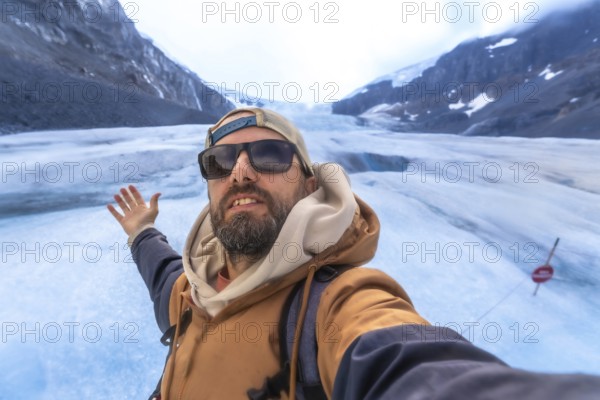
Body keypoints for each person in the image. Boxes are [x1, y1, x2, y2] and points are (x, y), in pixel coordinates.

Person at [108, 107, 600, 400]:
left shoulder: (333, 306)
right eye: (221, 160)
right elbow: (164, 274)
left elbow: (403, 362)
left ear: (307, 182)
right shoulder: (191, 290)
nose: (240, 171)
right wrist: (141, 233)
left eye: (269, 155)